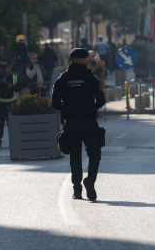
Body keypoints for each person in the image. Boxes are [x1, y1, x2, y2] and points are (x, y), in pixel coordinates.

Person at [51, 47, 106, 201]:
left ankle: (77, 190)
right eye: (87, 59)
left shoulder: (62, 79)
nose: (88, 61)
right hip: (88, 121)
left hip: (71, 123)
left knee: (75, 155)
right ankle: (90, 180)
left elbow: (54, 104)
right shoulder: (91, 77)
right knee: (94, 152)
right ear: (82, 60)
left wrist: (68, 108)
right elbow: (101, 100)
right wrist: (90, 108)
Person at [0, 61, 18, 148]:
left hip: (11, 103)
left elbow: (19, 87)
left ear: (8, 68)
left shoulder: (13, 77)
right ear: (0, 68)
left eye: (6, 67)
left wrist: (12, 87)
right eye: (2, 67)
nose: (4, 69)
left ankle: (14, 141)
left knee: (12, 124)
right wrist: (0, 83)